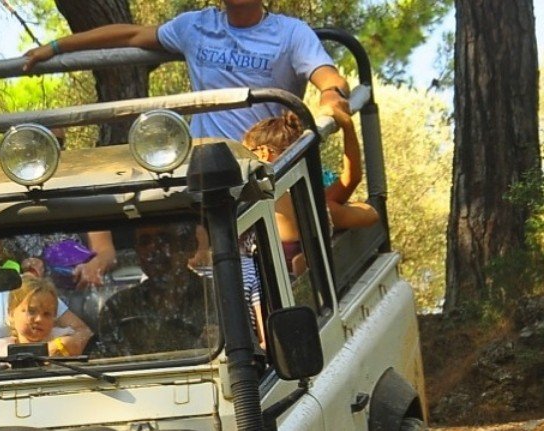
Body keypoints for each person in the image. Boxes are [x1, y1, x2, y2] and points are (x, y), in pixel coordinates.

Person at [22, 0, 351, 142]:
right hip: (206, 165)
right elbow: (130, 34)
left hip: (267, 164)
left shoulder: (291, 33)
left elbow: (329, 78)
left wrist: (331, 96)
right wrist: (55, 47)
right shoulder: (195, 26)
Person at [241, 113, 379, 273]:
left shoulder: (250, 200)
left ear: (263, 153)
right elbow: (369, 214)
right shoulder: (315, 210)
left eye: (246, 153)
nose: (242, 161)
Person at [92, 221, 215, 357]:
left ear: (190, 246)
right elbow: (108, 365)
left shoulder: (218, 298)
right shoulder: (118, 308)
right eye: (145, 242)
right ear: (137, 251)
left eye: (164, 239)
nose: (154, 249)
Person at [0, 276, 90, 356]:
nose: (39, 319)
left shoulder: (62, 340)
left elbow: (77, 341)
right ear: (11, 313)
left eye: (47, 314)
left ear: (54, 317)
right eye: (31, 311)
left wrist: (61, 346)